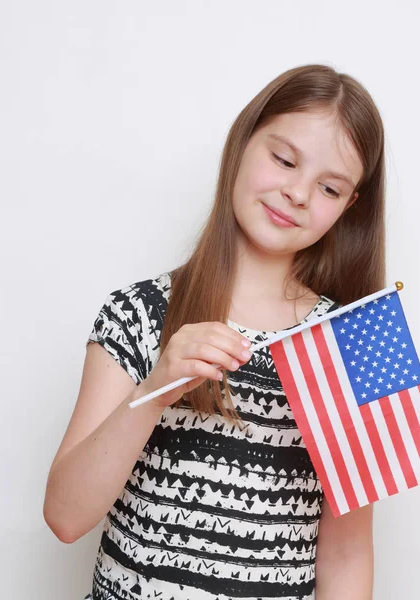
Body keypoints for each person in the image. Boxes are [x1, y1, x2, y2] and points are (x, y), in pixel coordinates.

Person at [43, 63, 385, 600]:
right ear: (244, 140)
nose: (297, 192)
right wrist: (154, 391)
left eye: (329, 187)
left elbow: (345, 553)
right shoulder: (139, 313)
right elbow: (64, 516)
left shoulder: (351, 343)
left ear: (349, 207)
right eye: (284, 159)